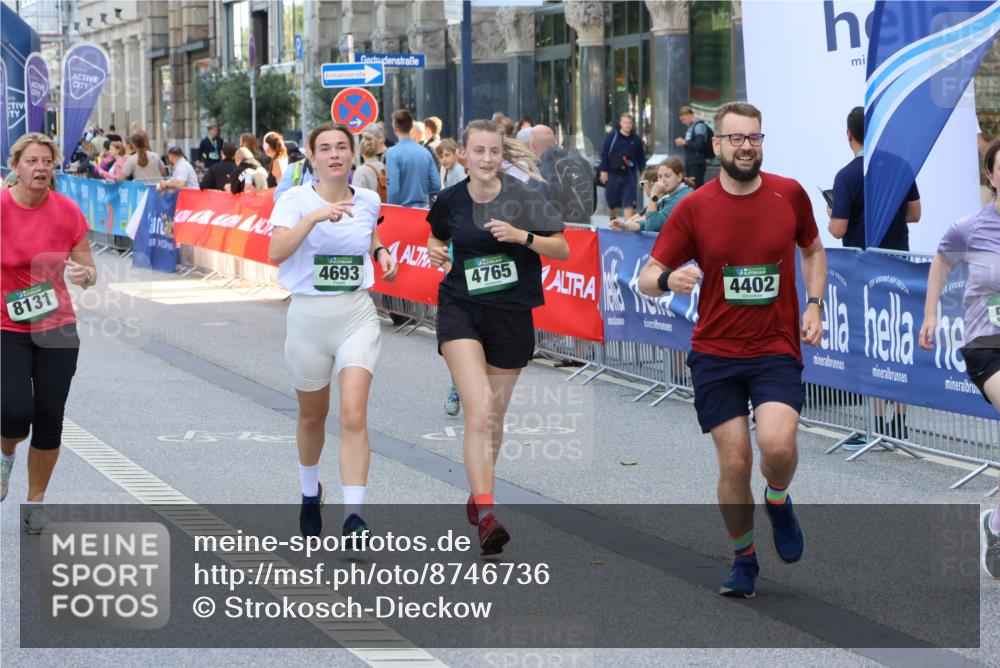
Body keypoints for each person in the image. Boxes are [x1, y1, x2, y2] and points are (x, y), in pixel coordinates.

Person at [638, 101, 827, 598]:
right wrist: (667, 277)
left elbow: (812, 248)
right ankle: (744, 558)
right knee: (735, 462)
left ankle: (779, 500)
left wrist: (815, 305)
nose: (747, 147)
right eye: (737, 139)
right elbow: (644, 279)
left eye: (755, 138)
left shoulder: (789, 195)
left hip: (774, 347)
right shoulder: (694, 207)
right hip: (717, 352)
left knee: (778, 446)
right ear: (717, 145)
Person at [425, 119, 569, 555]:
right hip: (461, 310)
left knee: (495, 417)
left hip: (511, 314)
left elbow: (561, 248)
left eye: (494, 152)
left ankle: (479, 489)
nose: (487, 159)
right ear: (463, 155)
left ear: (502, 156)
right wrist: (435, 251)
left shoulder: (524, 196)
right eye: (479, 152)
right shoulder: (450, 199)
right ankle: (487, 514)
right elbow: (436, 237)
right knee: (480, 408)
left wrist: (523, 237)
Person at [267, 122, 398, 540]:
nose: (336, 154)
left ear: (353, 153)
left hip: (356, 315)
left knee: (353, 415)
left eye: (342, 146)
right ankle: (310, 492)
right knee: (312, 416)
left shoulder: (370, 199)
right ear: (313, 156)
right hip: (307, 318)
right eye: (325, 148)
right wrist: (314, 217)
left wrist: (380, 251)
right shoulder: (294, 200)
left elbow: (367, 232)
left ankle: (354, 515)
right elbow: (277, 251)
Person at [0, 133, 97, 532]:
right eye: (32, 161)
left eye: (47, 161)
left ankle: (35, 500)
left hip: (56, 326)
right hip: (7, 323)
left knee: (49, 415)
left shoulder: (67, 211)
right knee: (13, 410)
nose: (41, 168)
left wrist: (83, 273)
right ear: (17, 166)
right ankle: (6, 458)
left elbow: (89, 271)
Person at [919, 139, 1000, 579]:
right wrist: (930, 314)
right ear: (991, 176)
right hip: (986, 344)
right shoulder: (970, 227)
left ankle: (996, 525)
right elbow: (941, 260)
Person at [829, 105, 920, 441]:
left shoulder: (846, 176)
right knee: (898, 341)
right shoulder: (900, 165)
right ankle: (901, 422)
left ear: (849, 134)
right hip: (899, 264)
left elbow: (838, 230)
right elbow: (915, 214)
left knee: (873, 342)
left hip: (866, 270)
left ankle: (878, 424)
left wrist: (832, 213)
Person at [531, 124, 596, 224]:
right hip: (584, 229)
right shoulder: (581, 161)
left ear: (533, 144)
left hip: (558, 232)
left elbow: (537, 209)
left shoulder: (540, 170)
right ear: (553, 141)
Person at [612, 158, 694, 233]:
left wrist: (654, 194)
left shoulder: (680, 198)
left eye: (667, 176)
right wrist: (625, 226)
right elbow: (648, 223)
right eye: (660, 176)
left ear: (679, 177)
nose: (663, 180)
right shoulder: (672, 196)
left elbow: (652, 226)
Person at [385, 109, 440, 208]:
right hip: (424, 211)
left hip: (402, 212)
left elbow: (393, 189)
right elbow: (436, 185)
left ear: (394, 129)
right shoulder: (425, 152)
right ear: (411, 127)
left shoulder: (392, 153)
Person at [599, 112, 646, 220]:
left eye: (629, 123)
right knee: (611, 201)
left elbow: (641, 158)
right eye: (625, 122)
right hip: (613, 174)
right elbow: (604, 153)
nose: (627, 125)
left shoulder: (636, 140)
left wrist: (643, 171)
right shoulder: (612, 137)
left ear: (632, 124)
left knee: (629, 202)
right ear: (621, 123)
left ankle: (626, 228)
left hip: (630, 175)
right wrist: (604, 170)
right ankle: (613, 219)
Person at [675, 105, 712, 189]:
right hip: (691, 162)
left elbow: (699, 144)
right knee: (690, 188)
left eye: (683, 119)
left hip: (697, 163)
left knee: (696, 188)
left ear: (689, 115)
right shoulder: (691, 128)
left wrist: (684, 142)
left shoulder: (699, 126)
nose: (682, 122)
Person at [354, 133, 387, 202]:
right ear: (376, 149)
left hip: (369, 210)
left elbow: (356, 197)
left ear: (361, 151)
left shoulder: (360, 171)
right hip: (385, 208)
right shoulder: (385, 167)